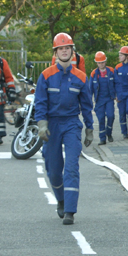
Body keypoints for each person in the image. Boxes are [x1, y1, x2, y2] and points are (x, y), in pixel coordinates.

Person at [34, 32, 94, 225]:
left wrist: (89, 129)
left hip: (71, 125)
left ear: (72, 51)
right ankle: (60, 199)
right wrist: (42, 125)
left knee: (71, 168)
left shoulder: (81, 78)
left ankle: (70, 210)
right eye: (61, 48)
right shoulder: (45, 76)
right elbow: (40, 102)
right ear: (56, 52)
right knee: (53, 169)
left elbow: (86, 106)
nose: (64, 51)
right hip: (52, 125)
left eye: (67, 48)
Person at [89, 51, 116, 145]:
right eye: (99, 63)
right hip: (99, 100)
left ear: (106, 61)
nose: (101, 64)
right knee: (101, 119)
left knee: (111, 116)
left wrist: (117, 95)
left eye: (103, 62)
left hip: (109, 99)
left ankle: (109, 133)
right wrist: (89, 101)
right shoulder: (94, 73)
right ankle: (102, 139)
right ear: (96, 63)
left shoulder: (111, 71)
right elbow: (90, 89)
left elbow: (117, 84)